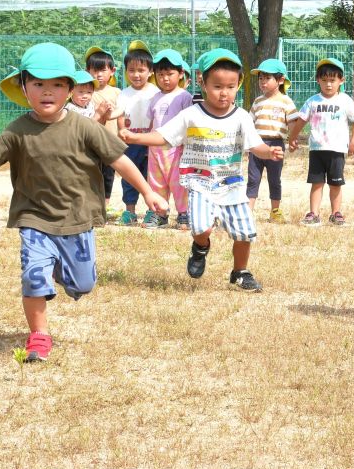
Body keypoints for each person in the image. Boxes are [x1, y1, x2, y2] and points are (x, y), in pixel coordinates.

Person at [0, 43, 166, 363]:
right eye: (39, 84)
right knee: (33, 275)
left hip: (77, 218)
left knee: (83, 285)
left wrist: (148, 192)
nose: (47, 92)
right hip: (34, 217)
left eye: (57, 84)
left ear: (70, 89)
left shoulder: (83, 127)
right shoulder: (17, 130)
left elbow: (119, 161)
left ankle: (62, 270)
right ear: (24, 87)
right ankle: (39, 336)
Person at [120, 48, 283, 291]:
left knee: (244, 233)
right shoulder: (191, 115)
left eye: (230, 86)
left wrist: (268, 152)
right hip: (200, 183)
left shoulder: (241, 117)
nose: (224, 93)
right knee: (201, 228)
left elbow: (254, 144)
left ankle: (240, 272)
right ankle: (200, 247)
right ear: (202, 83)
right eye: (217, 86)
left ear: (238, 84)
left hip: (232, 185)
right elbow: (164, 137)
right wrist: (135, 138)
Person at [287, 57, 354, 227]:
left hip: (336, 150)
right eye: (325, 80)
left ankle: (336, 213)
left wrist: (353, 141)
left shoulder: (344, 101)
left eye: (333, 80)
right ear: (318, 80)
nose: (329, 84)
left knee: (335, 184)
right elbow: (301, 121)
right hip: (317, 150)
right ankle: (314, 214)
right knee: (317, 183)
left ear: (341, 81)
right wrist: (292, 137)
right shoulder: (313, 101)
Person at [143, 48, 194, 229]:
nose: (165, 78)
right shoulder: (154, 98)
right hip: (156, 149)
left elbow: (189, 123)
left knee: (179, 182)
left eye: (170, 74)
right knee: (156, 182)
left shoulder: (184, 96)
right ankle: (160, 213)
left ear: (180, 74)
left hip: (176, 148)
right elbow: (152, 123)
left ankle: (184, 213)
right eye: (160, 74)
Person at [247, 58, 297, 223]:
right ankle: (248, 212)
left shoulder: (286, 101)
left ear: (280, 79)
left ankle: (275, 212)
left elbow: (292, 123)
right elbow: (248, 122)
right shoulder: (257, 101)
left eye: (267, 78)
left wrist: (293, 138)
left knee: (274, 179)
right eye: (260, 78)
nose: (262, 82)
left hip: (276, 145)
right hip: (257, 145)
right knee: (253, 178)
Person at [116, 40, 159, 226]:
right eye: (131, 70)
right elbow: (120, 114)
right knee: (129, 176)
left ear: (150, 72)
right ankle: (130, 212)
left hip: (150, 141)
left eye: (141, 70)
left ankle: (153, 211)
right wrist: (121, 130)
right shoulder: (124, 93)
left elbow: (158, 116)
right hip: (130, 141)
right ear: (126, 72)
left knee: (152, 176)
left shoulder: (156, 92)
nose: (136, 75)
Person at [85, 46, 124, 215]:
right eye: (94, 70)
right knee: (92, 173)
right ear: (87, 71)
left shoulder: (116, 92)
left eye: (102, 70)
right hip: (92, 143)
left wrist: (122, 130)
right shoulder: (86, 92)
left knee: (108, 175)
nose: (98, 75)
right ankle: (91, 203)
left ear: (112, 71)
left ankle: (105, 205)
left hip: (110, 141)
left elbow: (122, 112)